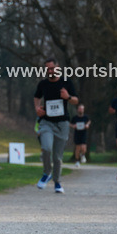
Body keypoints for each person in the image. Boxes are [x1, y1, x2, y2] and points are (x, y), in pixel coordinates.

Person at [33, 59, 78, 193]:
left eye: (52, 68)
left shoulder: (66, 82)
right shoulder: (43, 84)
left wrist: (68, 97)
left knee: (57, 157)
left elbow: (76, 100)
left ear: (58, 68)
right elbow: (36, 97)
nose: (50, 71)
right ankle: (47, 173)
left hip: (62, 124)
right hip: (47, 122)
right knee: (46, 148)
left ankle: (57, 182)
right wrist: (37, 108)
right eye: (48, 69)